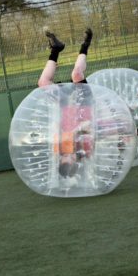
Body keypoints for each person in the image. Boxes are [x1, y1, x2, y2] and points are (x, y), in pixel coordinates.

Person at [38, 28, 94, 178]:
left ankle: (56, 49)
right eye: (70, 158)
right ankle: (85, 45)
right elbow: (88, 127)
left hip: (64, 107)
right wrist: (77, 131)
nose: (67, 155)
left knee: (43, 83)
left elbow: (57, 127)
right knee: (76, 74)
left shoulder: (60, 149)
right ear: (76, 161)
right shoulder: (86, 150)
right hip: (83, 104)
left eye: (63, 158)